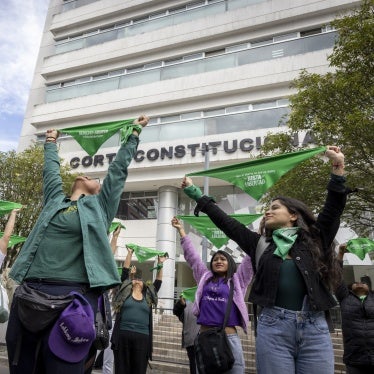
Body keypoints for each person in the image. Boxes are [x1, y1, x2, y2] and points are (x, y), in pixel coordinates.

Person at [181, 145, 349, 374]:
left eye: (275, 208)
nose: (268, 212)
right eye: (268, 209)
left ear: (293, 215)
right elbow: (227, 223)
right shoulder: (259, 244)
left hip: (315, 329)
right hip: (273, 329)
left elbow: (334, 207)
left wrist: (337, 168)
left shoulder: (317, 238)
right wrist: (197, 195)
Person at [6, 115, 149, 374]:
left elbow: (117, 172)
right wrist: (50, 141)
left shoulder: (100, 207)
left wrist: (134, 134)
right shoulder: (54, 202)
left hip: (74, 299)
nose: (88, 174)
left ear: (98, 190)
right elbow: (50, 172)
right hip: (29, 295)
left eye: (95, 177)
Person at [172, 217, 253, 374]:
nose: (219, 261)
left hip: (229, 340)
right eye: (215, 259)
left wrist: (259, 236)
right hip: (205, 340)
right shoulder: (204, 277)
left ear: (230, 263)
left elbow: (250, 260)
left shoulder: (237, 280)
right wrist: (181, 231)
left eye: (223, 259)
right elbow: (193, 257)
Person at [111, 245, 166, 374]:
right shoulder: (125, 292)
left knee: (139, 370)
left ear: (144, 285)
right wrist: (130, 254)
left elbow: (158, 282)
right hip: (123, 336)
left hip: (142, 339)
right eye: (135, 279)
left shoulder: (148, 296)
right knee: (121, 370)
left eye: (140, 280)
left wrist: (160, 264)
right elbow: (124, 274)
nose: (137, 281)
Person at [335, 244, 374, 374]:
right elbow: (337, 276)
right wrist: (341, 254)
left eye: (363, 282)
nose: (359, 282)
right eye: (356, 282)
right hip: (354, 358)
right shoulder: (345, 298)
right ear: (351, 288)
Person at [173, 295, 200, 374]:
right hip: (191, 339)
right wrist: (181, 304)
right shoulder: (187, 299)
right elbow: (176, 311)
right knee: (194, 365)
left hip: (205, 339)